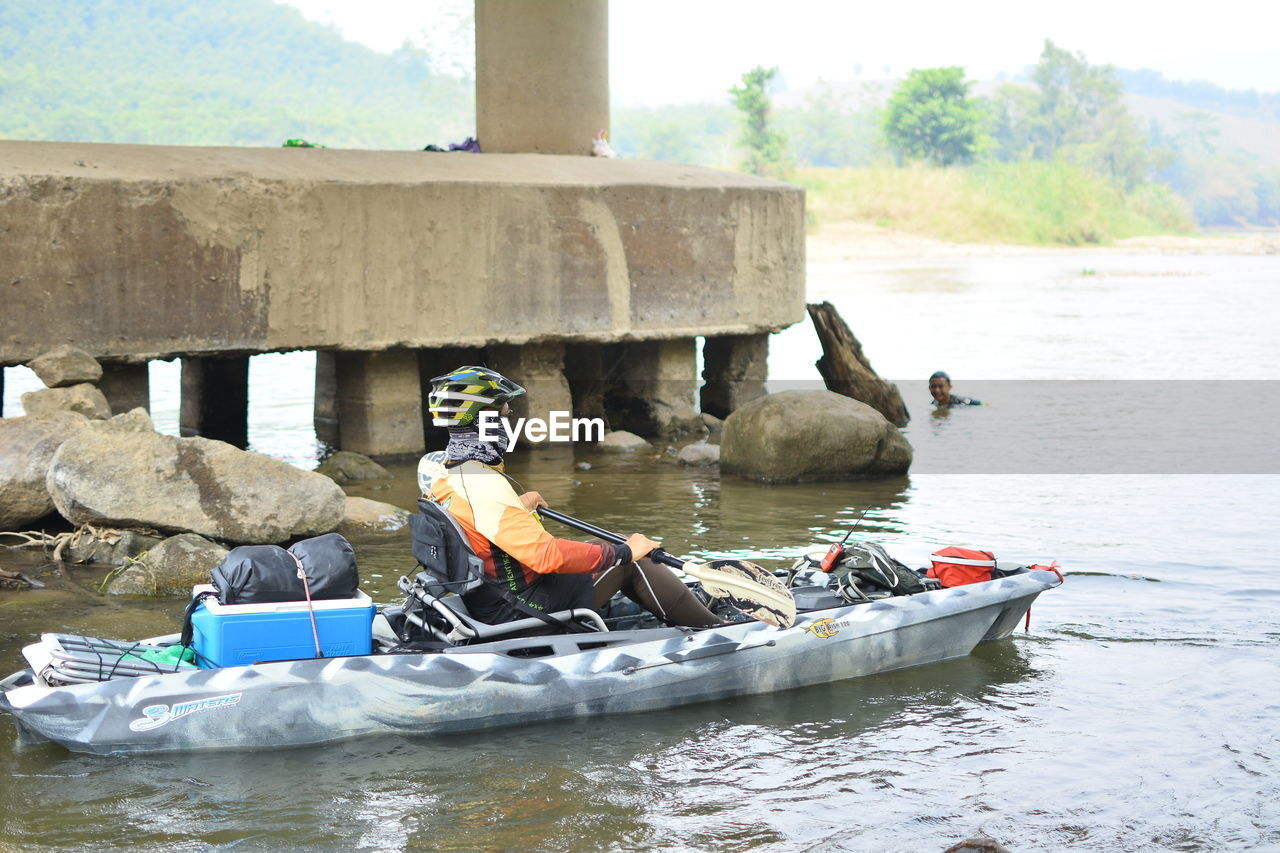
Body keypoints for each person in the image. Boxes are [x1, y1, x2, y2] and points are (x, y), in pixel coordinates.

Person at [423, 365, 722, 629]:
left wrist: (517, 506)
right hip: (522, 609)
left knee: (615, 545)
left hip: (491, 601)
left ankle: (678, 600)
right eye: (504, 413)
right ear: (483, 420)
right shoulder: (485, 486)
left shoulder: (447, 473)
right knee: (630, 558)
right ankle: (714, 628)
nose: (509, 419)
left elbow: (477, 526)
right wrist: (626, 553)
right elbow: (546, 556)